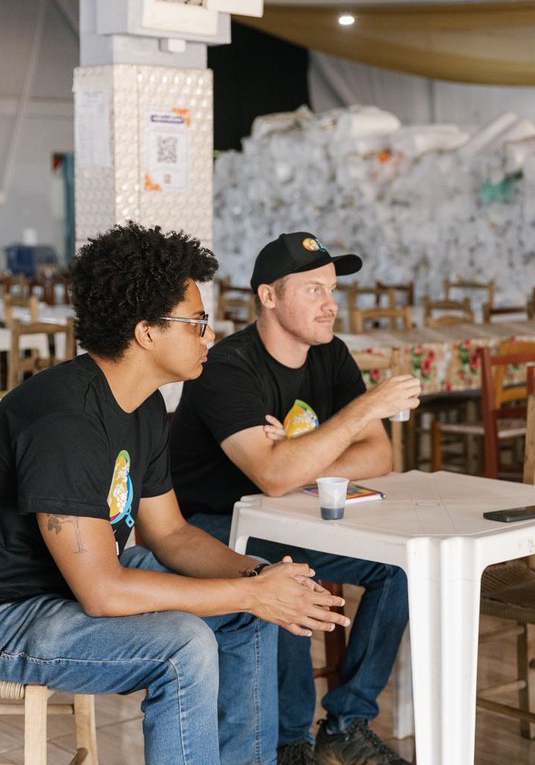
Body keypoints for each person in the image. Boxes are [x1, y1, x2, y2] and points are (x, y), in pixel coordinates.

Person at [0, 222, 351, 765]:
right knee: (184, 645)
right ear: (147, 332)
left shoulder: (144, 404)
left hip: (61, 591)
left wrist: (256, 578)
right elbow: (104, 591)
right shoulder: (66, 421)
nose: (210, 335)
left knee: (247, 611)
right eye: (197, 322)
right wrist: (249, 592)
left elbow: (170, 533)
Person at [169, 231, 420, 765]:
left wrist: (298, 453)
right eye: (313, 291)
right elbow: (273, 475)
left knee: (399, 568)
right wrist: (355, 414)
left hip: (290, 512)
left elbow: (379, 456)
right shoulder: (228, 366)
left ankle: (346, 723)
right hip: (209, 525)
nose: (330, 305)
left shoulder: (330, 355)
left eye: (332, 290)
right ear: (269, 296)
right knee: (286, 569)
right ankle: (289, 741)